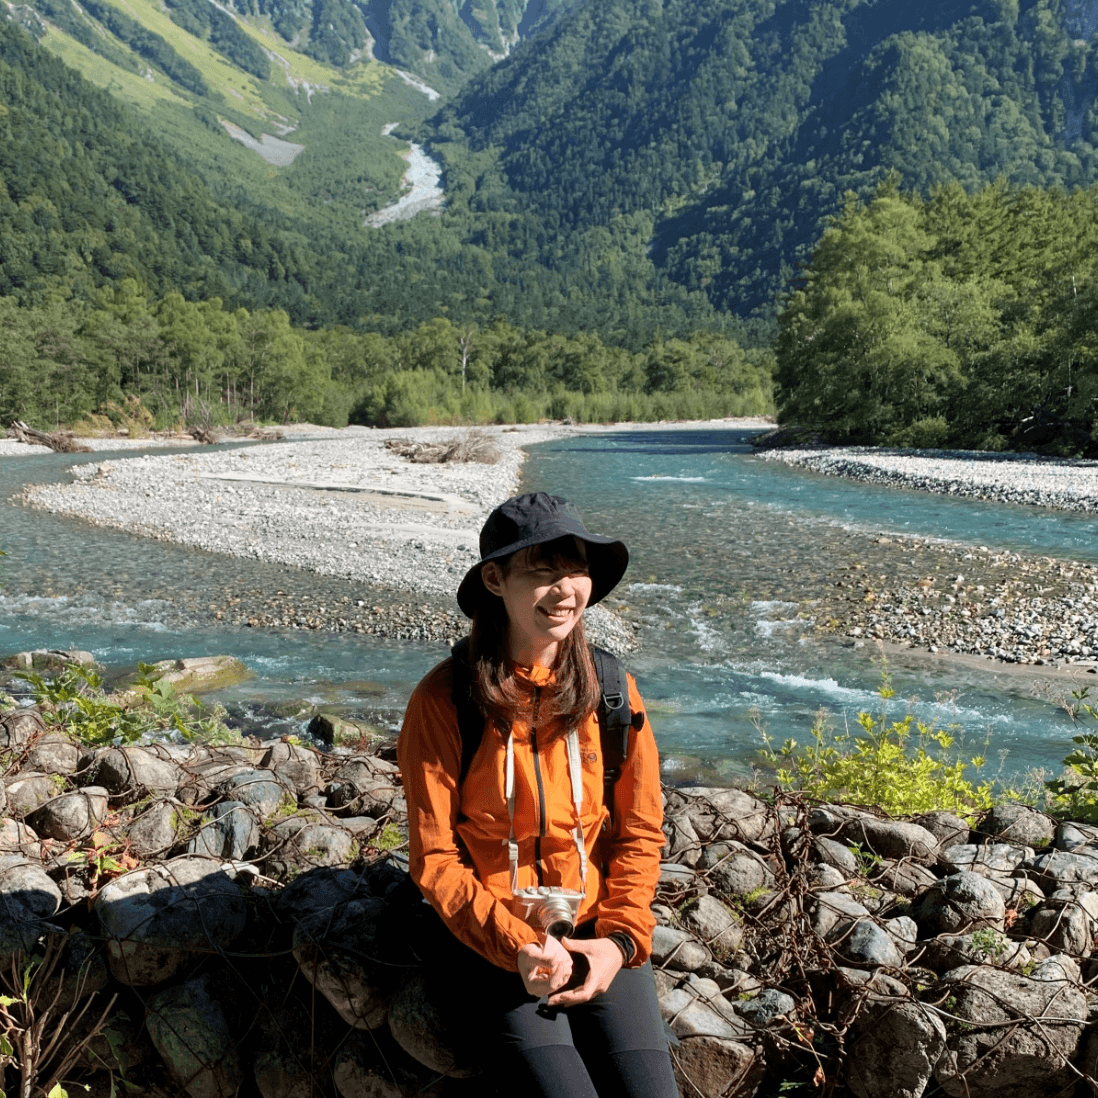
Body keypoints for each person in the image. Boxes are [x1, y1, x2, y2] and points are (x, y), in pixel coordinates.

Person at [398, 492, 677, 1097]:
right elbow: (435, 859)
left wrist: (620, 942)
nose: (564, 590)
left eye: (574, 569)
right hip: (494, 944)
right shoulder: (444, 700)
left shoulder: (611, 691)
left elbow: (639, 830)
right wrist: (519, 946)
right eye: (541, 571)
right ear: (495, 579)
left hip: (598, 926)